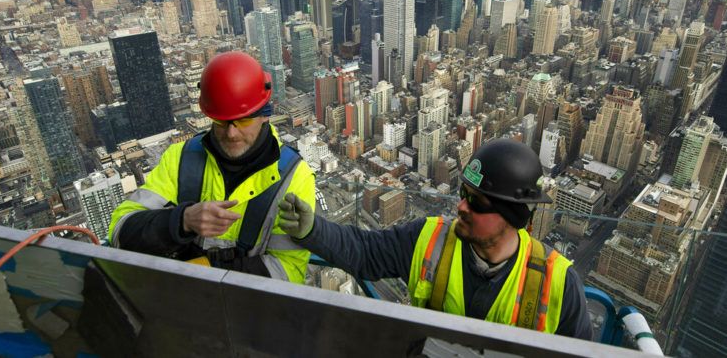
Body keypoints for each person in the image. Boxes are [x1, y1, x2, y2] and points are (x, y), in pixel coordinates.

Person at [279, 139, 592, 339]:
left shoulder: (559, 284)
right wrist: (312, 230)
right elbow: (364, 252)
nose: (461, 207)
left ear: (516, 218)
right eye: (463, 194)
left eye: (478, 203)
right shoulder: (429, 239)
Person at [109, 51, 315, 284]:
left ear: (264, 115)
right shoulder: (180, 159)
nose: (231, 133)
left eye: (244, 120)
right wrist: (181, 221)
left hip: (246, 307)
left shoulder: (294, 176)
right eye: (221, 121)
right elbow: (121, 232)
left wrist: (210, 269)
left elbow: (289, 271)